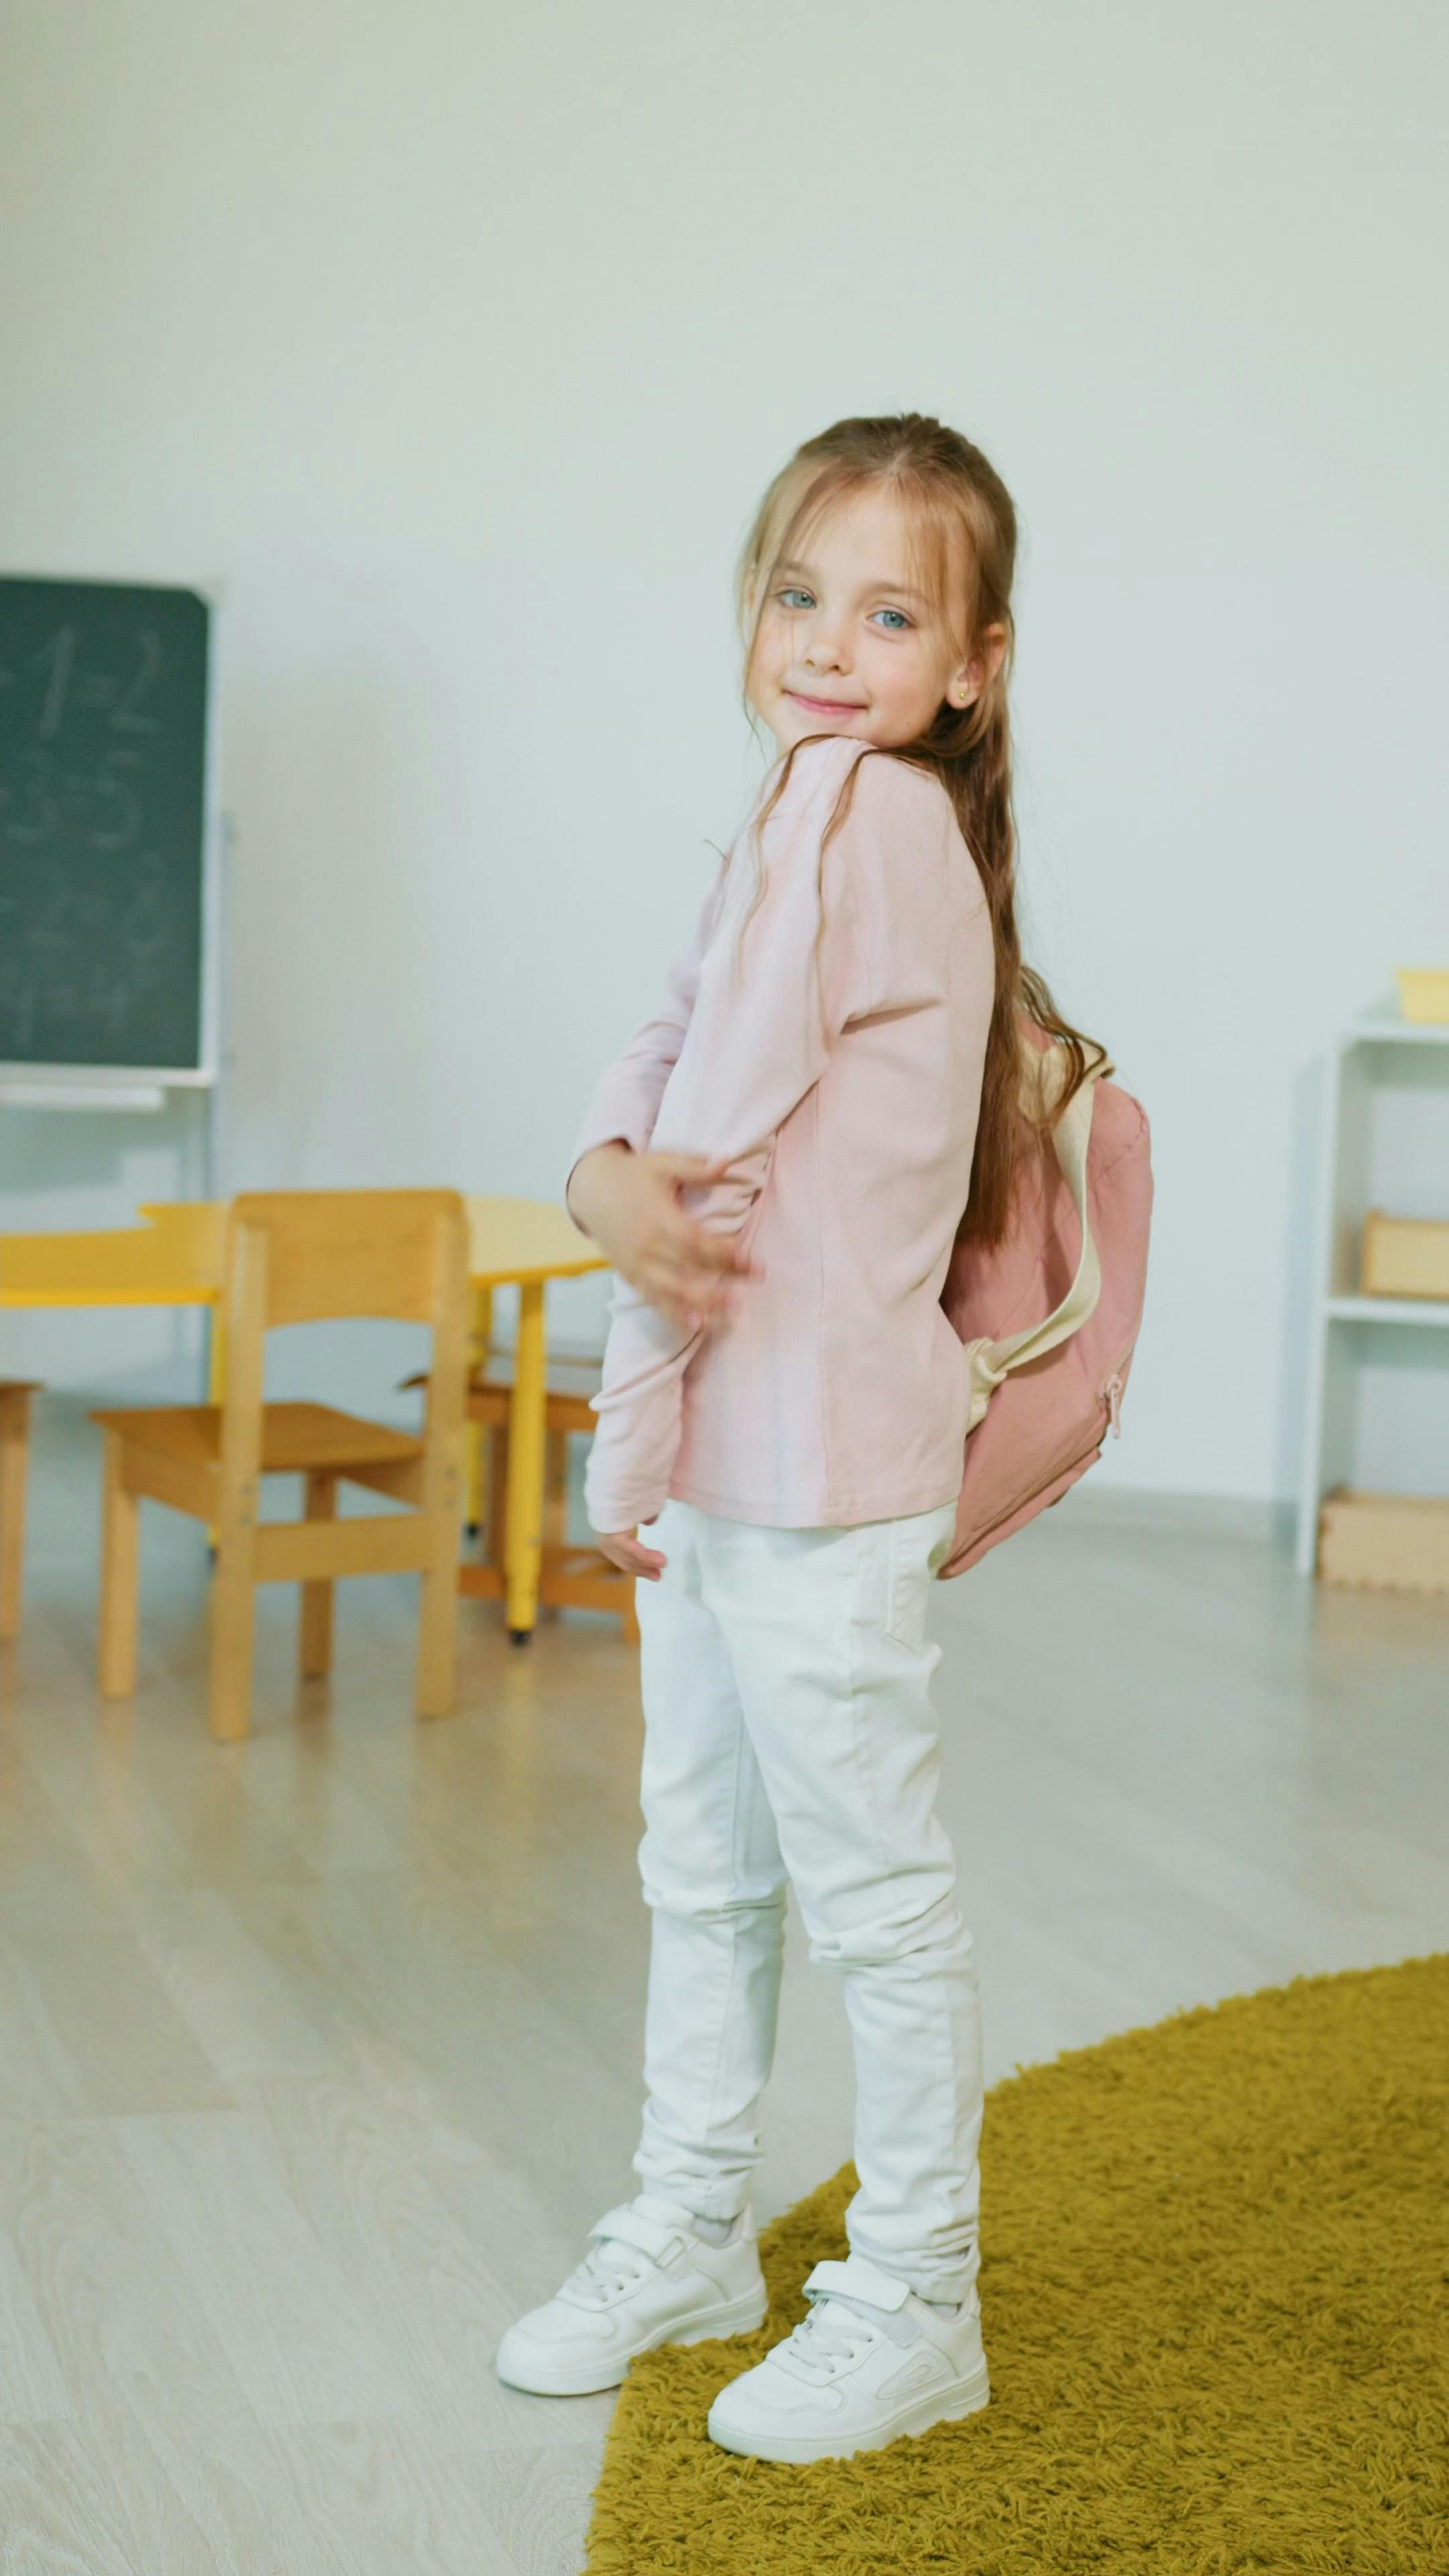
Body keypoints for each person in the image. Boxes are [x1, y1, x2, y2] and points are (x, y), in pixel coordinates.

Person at [496, 413, 1098, 2465]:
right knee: (708, 1859)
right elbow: (664, 1046)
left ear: (974, 662)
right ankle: (692, 2226)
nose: (829, 643)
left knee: (865, 1890)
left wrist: (616, 1360)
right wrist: (599, 1164)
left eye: (890, 608)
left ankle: (921, 2294)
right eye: (797, 593)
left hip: (822, 1455)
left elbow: (710, 1129)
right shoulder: (793, 808)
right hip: (745, 1452)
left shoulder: (867, 816)